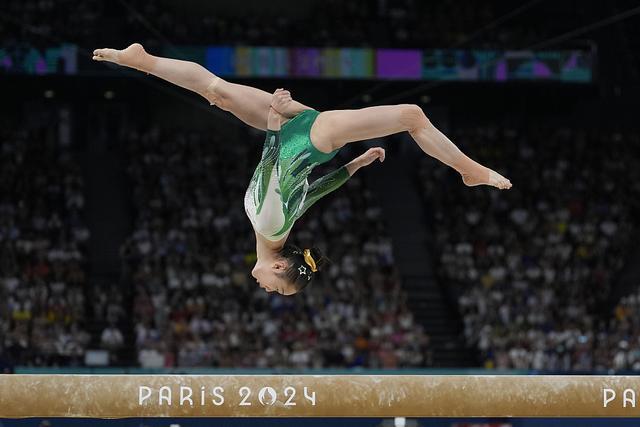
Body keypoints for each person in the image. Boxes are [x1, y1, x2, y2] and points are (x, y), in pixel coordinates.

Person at [92, 43, 512, 295]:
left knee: (216, 91)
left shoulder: (275, 230)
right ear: (279, 268)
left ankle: (141, 60)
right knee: (412, 114)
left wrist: (357, 164)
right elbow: (271, 166)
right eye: (278, 289)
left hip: (302, 131)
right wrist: (275, 126)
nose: (267, 289)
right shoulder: (270, 225)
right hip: (311, 135)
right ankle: (470, 170)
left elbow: (313, 192)